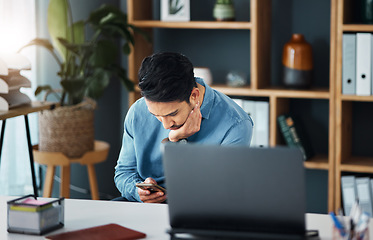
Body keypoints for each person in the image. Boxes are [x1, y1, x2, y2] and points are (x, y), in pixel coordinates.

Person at [114, 52, 253, 203]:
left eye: (172, 114)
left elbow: (221, 192)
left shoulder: (236, 125)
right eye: (156, 115)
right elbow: (124, 173)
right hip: (144, 206)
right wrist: (137, 192)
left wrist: (176, 141)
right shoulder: (138, 112)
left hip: (199, 210)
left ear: (194, 96)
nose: (166, 124)